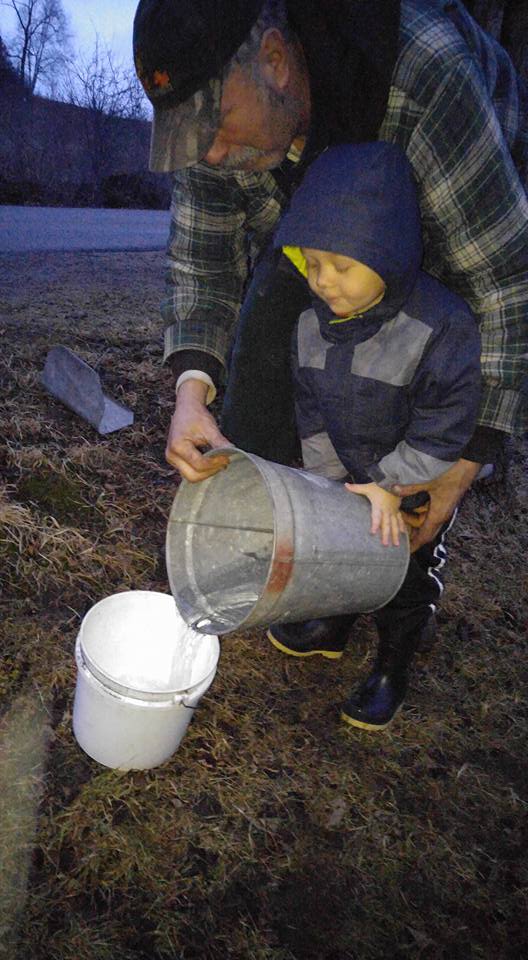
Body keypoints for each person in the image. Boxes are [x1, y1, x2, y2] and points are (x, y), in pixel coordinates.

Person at [132, 1, 527, 537]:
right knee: (278, 329)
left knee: (413, 347)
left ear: (274, 59)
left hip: (452, 178)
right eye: (192, 136)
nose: (214, 155)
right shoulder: (217, 142)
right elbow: (203, 257)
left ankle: (399, 538)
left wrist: (462, 463)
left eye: (216, 126)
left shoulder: (424, 72)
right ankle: (275, 539)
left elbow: (501, 278)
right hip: (315, 218)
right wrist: (191, 393)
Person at [261, 141, 481, 728]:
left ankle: (393, 663)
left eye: (342, 266)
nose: (323, 282)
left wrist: (391, 484)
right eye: (311, 263)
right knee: (340, 556)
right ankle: (334, 624)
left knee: (405, 571)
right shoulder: (309, 326)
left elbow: (451, 420)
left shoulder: (440, 324)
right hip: (355, 477)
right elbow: (311, 408)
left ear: (388, 254)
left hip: (414, 484)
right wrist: (327, 485)